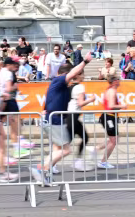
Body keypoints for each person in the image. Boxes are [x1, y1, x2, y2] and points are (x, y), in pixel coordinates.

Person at [32, 52, 93, 187]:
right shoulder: (59, 80)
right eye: (71, 75)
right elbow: (72, 73)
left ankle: (44, 174)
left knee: (56, 150)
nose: (74, 77)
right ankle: (40, 168)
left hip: (54, 118)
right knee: (66, 150)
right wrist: (85, 62)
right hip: (55, 119)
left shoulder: (62, 86)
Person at [0, 58, 33, 158]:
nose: (16, 66)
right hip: (9, 100)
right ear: (9, 64)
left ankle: (19, 145)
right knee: (15, 126)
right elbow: (9, 88)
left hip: (3, 100)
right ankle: (18, 148)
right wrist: (16, 86)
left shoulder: (1, 72)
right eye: (15, 64)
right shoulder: (8, 73)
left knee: (4, 124)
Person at [66, 70, 96, 172]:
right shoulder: (79, 87)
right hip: (73, 116)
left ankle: (77, 161)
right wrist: (91, 100)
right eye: (83, 74)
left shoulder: (70, 86)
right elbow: (80, 103)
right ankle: (77, 162)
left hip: (70, 116)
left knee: (67, 142)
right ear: (78, 75)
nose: (84, 76)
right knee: (84, 138)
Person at [96, 74, 127, 169]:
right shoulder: (112, 91)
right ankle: (103, 162)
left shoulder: (110, 90)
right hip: (109, 117)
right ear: (114, 81)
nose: (120, 81)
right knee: (114, 141)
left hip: (109, 116)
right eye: (118, 79)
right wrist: (122, 106)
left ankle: (95, 149)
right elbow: (111, 105)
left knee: (114, 139)